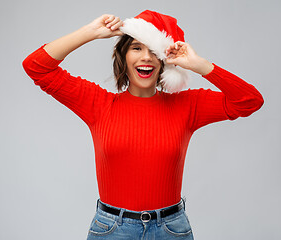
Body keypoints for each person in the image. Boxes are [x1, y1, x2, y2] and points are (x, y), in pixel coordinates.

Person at [23, 10, 263, 240]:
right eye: (137, 48)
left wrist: (198, 64)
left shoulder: (187, 106)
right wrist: (91, 32)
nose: (146, 57)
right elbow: (36, 67)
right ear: (124, 56)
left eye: (154, 51)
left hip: (171, 230)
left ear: (164, 62)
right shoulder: (98, 104)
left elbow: (249, 101)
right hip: (112, 230)